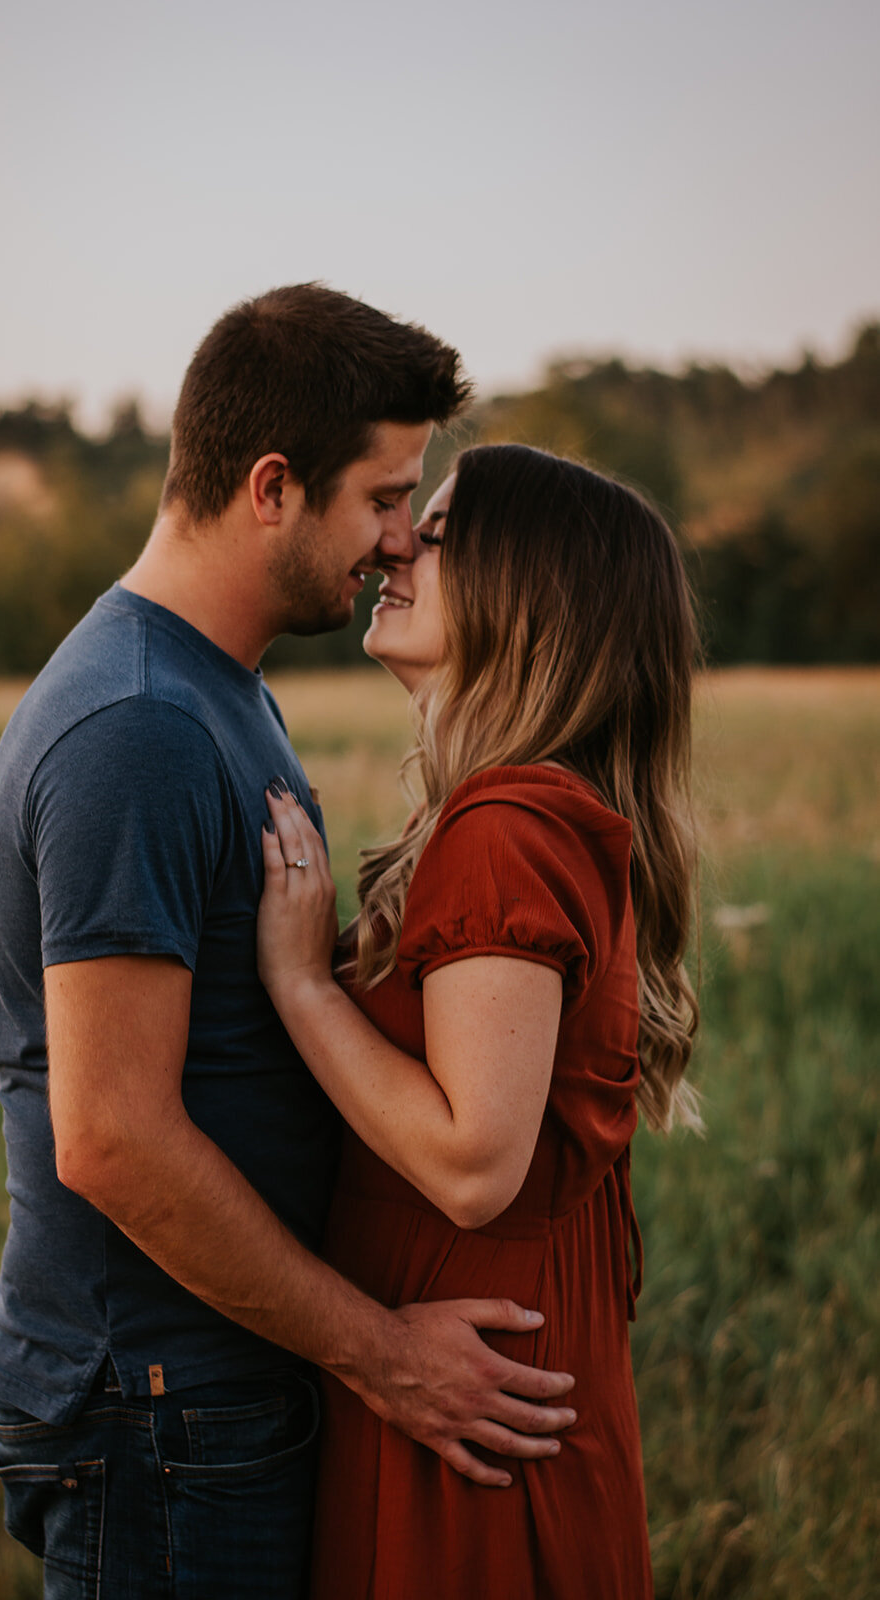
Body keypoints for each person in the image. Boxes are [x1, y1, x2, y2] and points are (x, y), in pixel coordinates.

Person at [0, 289, 577, 1600]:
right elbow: (113, 1137)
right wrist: (378, 1351)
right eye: (379, 496)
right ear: (269, 487)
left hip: (207, 1383)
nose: (398, 537)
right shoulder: (137, 725)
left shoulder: (216, 689)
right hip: (162, 1400)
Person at [257, 443, 702, 1598]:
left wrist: (304, 984)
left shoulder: (504, 826)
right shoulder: (538, 811)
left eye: (441, 531)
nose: (397, 541)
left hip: (468, 1410)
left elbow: (470, 1162)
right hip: (500, 1375)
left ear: (528, 596)